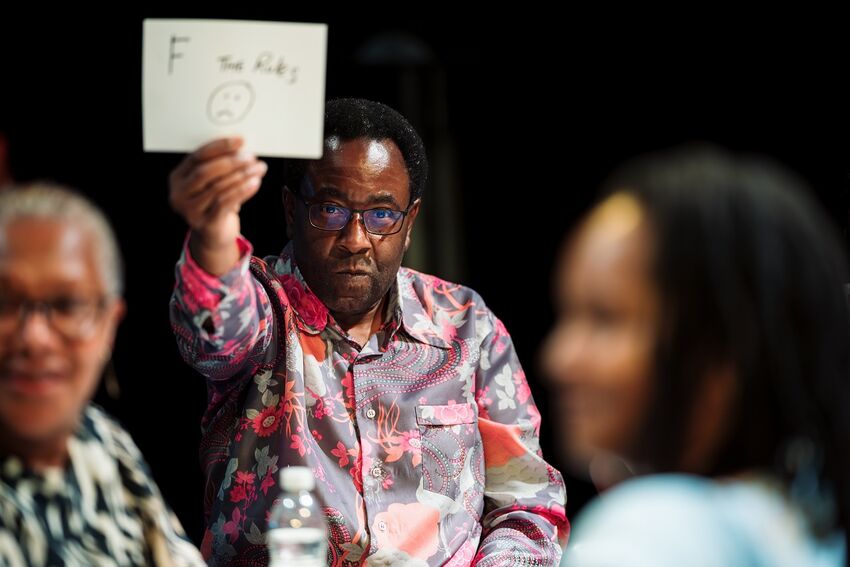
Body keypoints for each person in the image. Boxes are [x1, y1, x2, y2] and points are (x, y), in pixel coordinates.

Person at [169, 98, 568, 566]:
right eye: (332, 209)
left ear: (410, 221)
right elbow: (215, 334)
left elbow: (526, 505)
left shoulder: (466, 323)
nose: (356, 239)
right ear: (290, 210)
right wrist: (213, 230)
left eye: (381, 215)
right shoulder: (262, 306)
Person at [543, 146, 850, 565]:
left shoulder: (655, 535)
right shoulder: (798, 528)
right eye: (568, 315)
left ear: (721, 354)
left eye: (605, 319)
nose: (559, 359)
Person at [0, 184, 205, 566]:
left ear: (109, 326)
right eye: (5, 303)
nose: (34, 337)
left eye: (67, 305)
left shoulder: (102, 442)